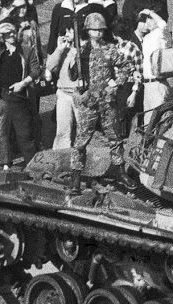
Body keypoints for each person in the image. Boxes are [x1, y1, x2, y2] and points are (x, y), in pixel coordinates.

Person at [71, 12, 134, 186]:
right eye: (94, 29)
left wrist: (117, 83)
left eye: (101, 30)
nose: (98, 32)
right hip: (89, 102)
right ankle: (76, 175)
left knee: (115, 138)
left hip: (107, 101)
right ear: (87, 30)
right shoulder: (82, 51)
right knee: (81, 141)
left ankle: (120, 171)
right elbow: (73, 75)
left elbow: (126, 66)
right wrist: (74, 60)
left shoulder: (110, 49)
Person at [0, 22, 39, 167]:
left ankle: (32, 166)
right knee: (2, 132)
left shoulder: (26, 50)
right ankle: (5, 164)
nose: (12, 35)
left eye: (14, 32)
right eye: (8, 32)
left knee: (24, 134)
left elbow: (36, 70)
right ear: (3, 35)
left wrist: (22, 83)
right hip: (0, 96)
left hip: (18, 97)